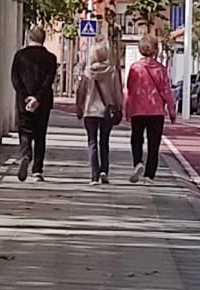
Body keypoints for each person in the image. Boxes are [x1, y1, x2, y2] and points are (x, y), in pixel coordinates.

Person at [125, 36, 176, 184]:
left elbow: (130, 89)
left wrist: (127, 108)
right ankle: (149, 175)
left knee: (136, 138)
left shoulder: (135, 68)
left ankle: (138, 162)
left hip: (138, 109)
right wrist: (172, 111)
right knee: (154, 143)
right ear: (155, 49)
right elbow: (166, 91)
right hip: (156, 110)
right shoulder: (160, 69)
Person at [10, 26, 58, 181]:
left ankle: (25, 155)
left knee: (24, 130)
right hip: (42, 102)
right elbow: (48, 81)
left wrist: (26, 97)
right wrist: (37, 98)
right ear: (43, 39)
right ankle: (37, 170)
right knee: (40, 134)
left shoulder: (19, 56)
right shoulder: (50, 58)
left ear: (29, 38)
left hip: (23, 102)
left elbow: (15, 79)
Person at [73, 43, 124, 185]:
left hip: (90, 111)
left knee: (92, 142)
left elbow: (81, 92)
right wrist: (120, 107)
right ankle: (104, 171)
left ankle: (94, 175)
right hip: (106, 112)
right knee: (104, 142)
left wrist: (79, 107)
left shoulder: (87, 73)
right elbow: (117, 92)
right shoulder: (112, 72)